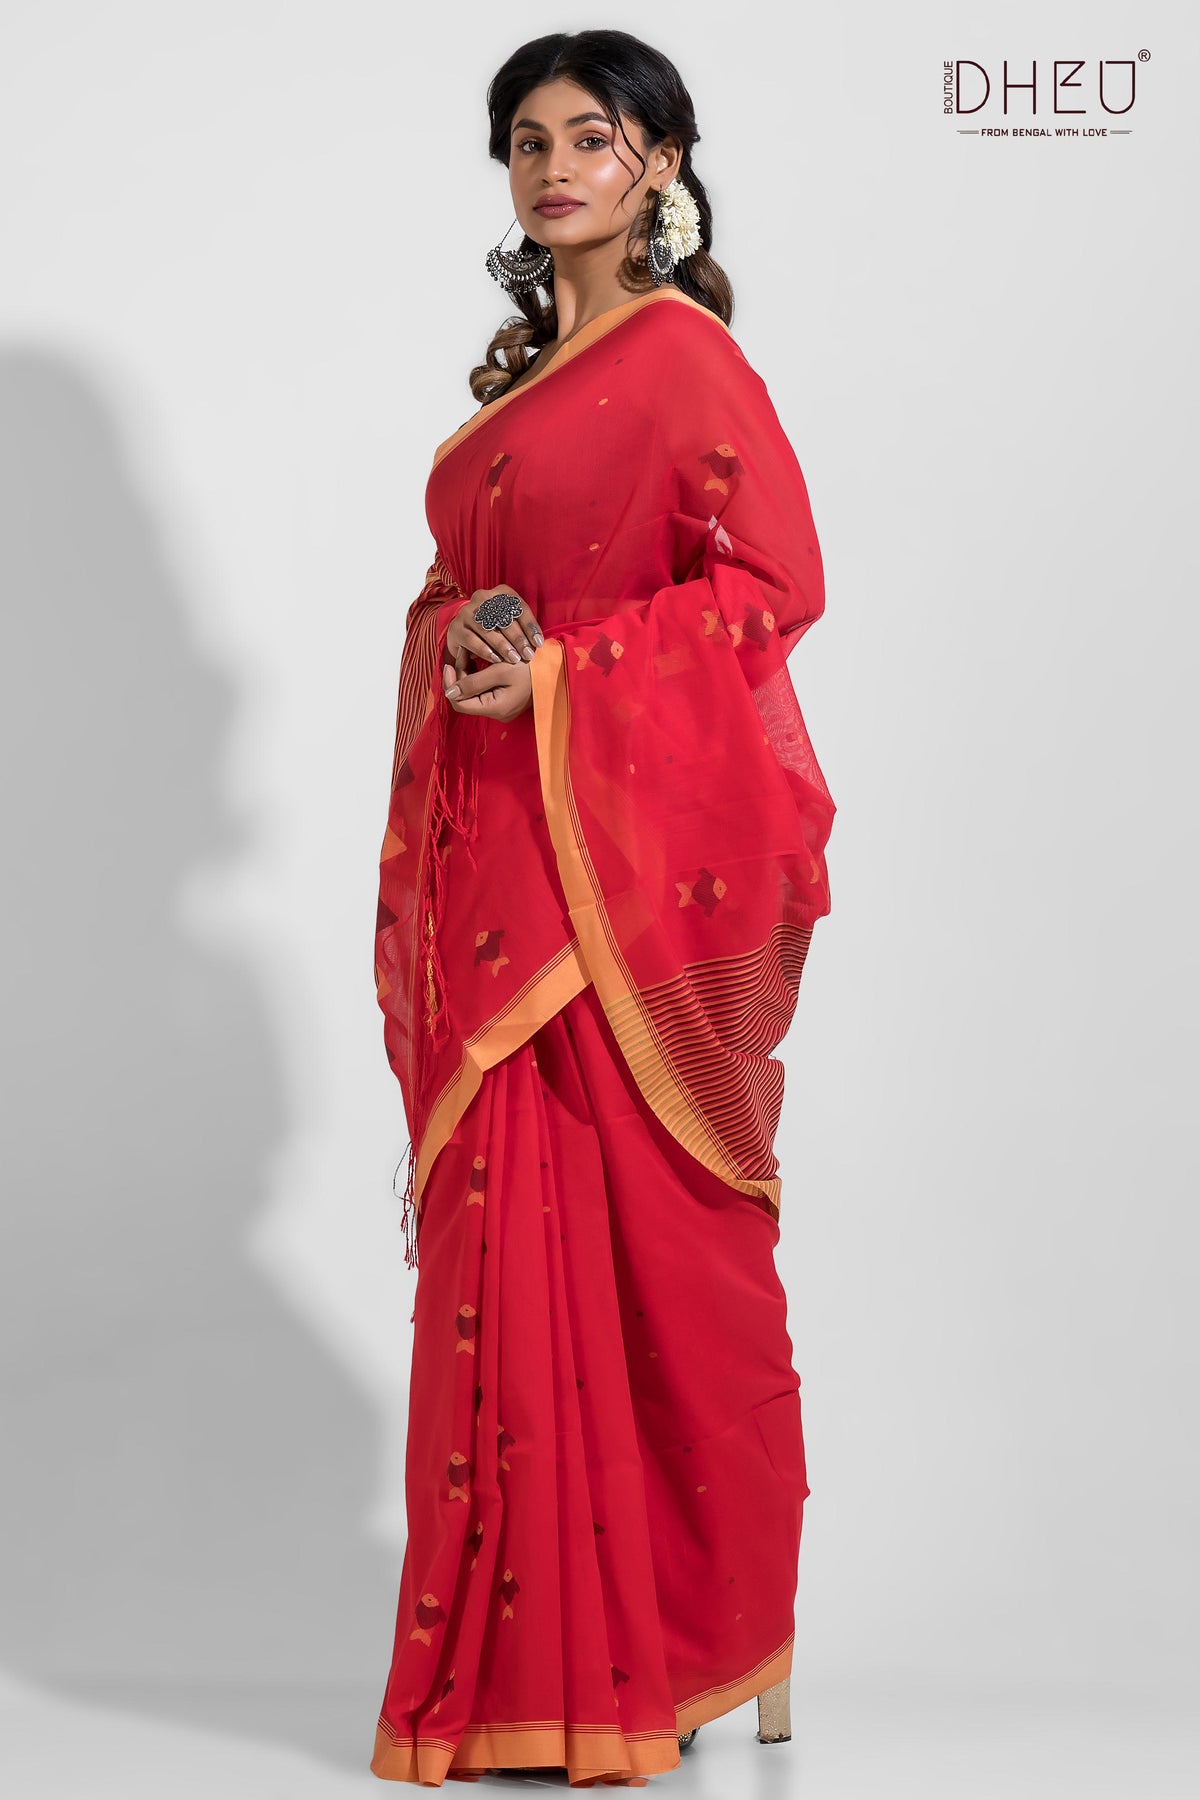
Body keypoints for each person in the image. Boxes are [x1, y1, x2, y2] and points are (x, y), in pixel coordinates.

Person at [370, 27, 836, 1789]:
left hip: (615, 875)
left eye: (592, 136)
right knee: (499, 1241)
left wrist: (569, 673)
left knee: (657, 1246)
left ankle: (702, 1636)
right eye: (527, 141)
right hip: (504, 847)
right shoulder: (517, 388)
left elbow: (775, 583)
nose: (555, 167)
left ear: (661, 164)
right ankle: (525, 1669)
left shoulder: (683, 355)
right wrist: (468, 639)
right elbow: (462, 593)